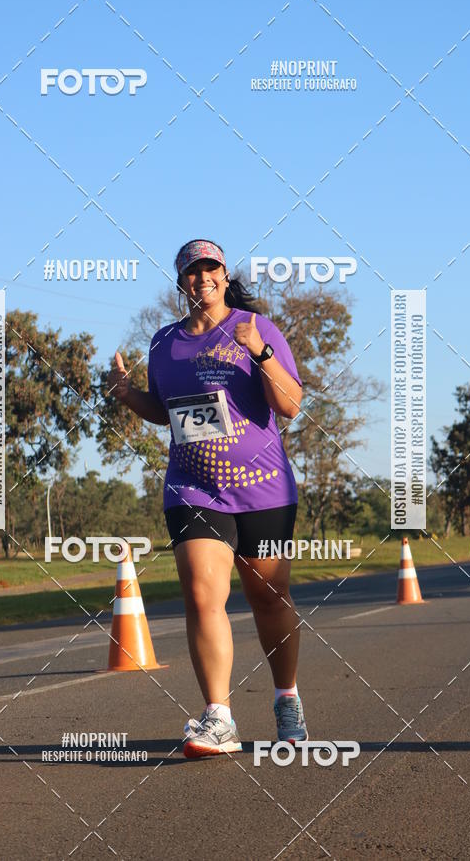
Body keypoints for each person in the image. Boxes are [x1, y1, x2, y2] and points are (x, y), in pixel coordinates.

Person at [107, 238, 307, 758]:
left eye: (211, 268)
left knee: (268, 597)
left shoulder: (256, 327)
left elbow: (290, 405)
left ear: (224, 275)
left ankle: (287, 698)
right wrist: (129, 396)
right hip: (193, 486)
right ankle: (219, 716)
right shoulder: (164, 343)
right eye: (192, 272)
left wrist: (259, 352)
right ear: (181, 283)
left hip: (263, 487)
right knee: (201, 594)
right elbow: (167, 410)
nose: (202, 278)